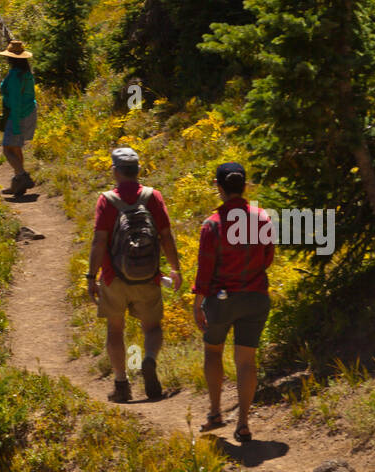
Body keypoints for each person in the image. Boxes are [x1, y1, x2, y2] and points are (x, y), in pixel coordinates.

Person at [86, 146, 181, 403]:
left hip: (113, 277)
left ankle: (121, 384)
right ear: (138, 170)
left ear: (115, 171)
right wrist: (176, 268)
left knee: (115, 329)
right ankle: (149, 358)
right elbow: (166, 236)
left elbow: (99, 241)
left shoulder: (107, 200)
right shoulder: (153, 197)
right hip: (148, 276)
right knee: (152, 326)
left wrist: (90, 277)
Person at [192, 162, 275, 443]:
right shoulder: (262, 218)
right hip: (255, 296)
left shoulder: (212, 225)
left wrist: (198, 302)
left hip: (221, 299)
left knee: (213, 351)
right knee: (246, 360)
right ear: (245, 186)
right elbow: (267, 259)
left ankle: (215, 412)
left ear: (219, 187)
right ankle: (243, 424)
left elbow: (205, 270)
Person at [0, 39, 37, 196]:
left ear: (10, 58)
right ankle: (17, 186)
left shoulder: (15, 76)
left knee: (7, 149)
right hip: (28, 112)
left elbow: (15, 100)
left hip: (17, 114)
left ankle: (22, 176)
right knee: (16, 147)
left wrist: (14, 124)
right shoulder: (26, 72)